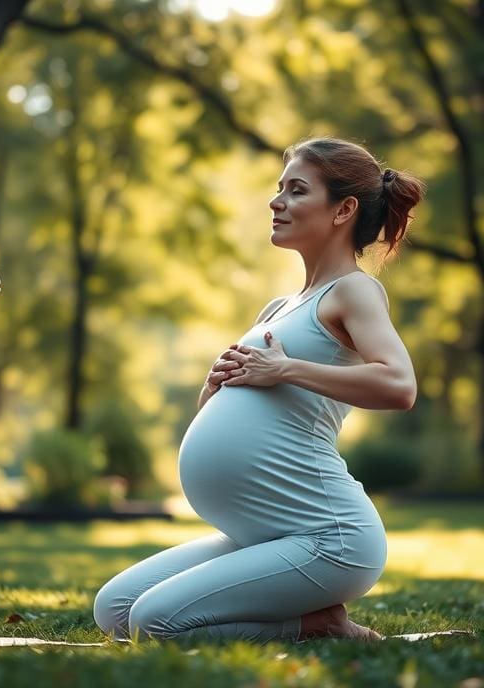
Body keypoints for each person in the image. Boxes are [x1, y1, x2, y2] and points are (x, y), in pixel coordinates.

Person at [93, 136, 425, 644]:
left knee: (150, 623)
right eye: (279, 189)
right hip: (268, 533)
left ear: (344, 210)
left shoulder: (353, 291)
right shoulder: (277, 308)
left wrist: (285, 369)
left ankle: (320, 626)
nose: (277, 202)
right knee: (114, 608)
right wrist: (215, 389)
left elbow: (399, 385)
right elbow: (251, 410)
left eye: (296, 191)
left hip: (330, 538)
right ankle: (312, 620)